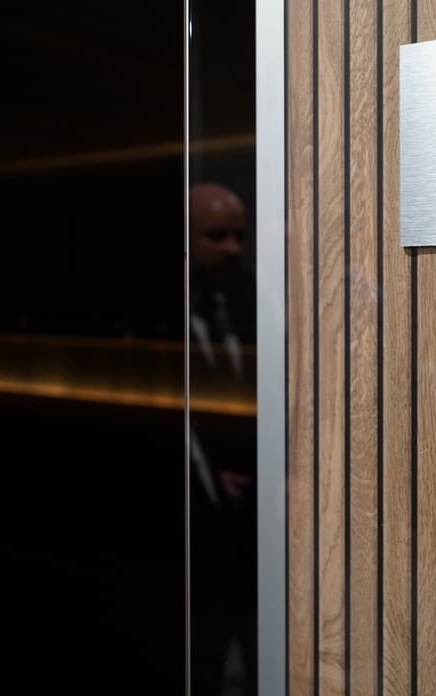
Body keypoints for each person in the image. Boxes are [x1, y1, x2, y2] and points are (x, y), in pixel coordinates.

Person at [188, 182, 256, 696]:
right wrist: (209, 477)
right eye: (216, 236)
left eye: (239, 236)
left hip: (252, 508)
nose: (233, 248)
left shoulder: (244, 301)